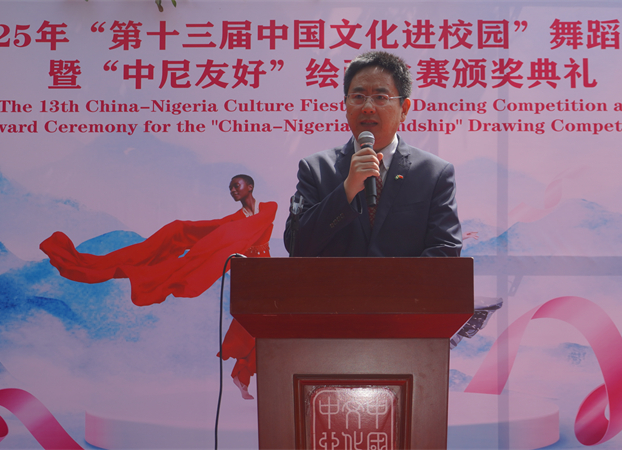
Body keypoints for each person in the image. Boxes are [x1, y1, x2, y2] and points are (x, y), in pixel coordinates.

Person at [40, 174, 275, 399]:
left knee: (265, 321)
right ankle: (243, 374)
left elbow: (242, 230)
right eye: (230, 187)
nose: (232, 190)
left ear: (250, 187)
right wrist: (181, 231)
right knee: (253, 321)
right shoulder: (234, 219)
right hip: (248, 274)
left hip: (265, 272)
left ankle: (243, 373)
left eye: (236, 185)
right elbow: (213, 230)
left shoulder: (267, 208)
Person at [284, 51, 462, 257]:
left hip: (406, 280)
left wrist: (391, 278)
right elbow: (297, 246)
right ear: (345, 104)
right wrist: (347, 190)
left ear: (404, 109)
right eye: (358, 97)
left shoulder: (434, 174)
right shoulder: (316, 169)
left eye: (380, 97)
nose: (368, 108)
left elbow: (445, 251)